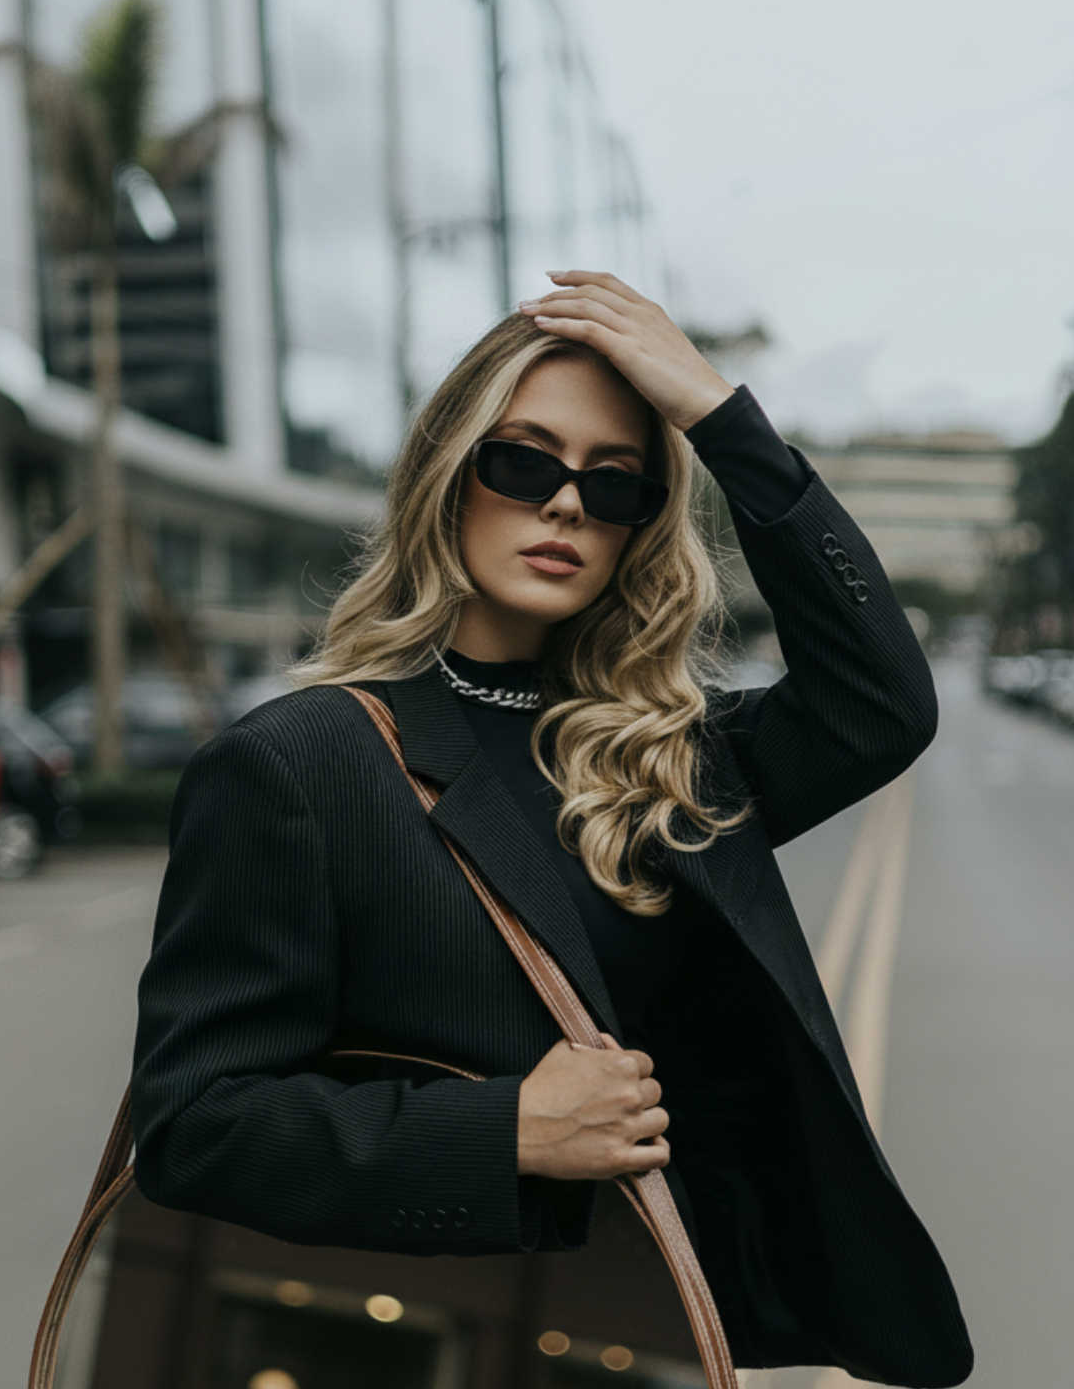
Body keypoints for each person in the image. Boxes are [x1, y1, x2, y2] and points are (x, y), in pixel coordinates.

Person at [131, 271, 971, 1386]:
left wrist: (719, 418)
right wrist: (508, 1128)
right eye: (523, 461)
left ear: (638, 530)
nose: (566, 503)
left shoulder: (665, 756)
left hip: (648, 1332)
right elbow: (194, 1122)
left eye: (613, 484)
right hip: (415, 1336)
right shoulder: (298, 763)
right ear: (449, 472)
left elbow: (882, 704)